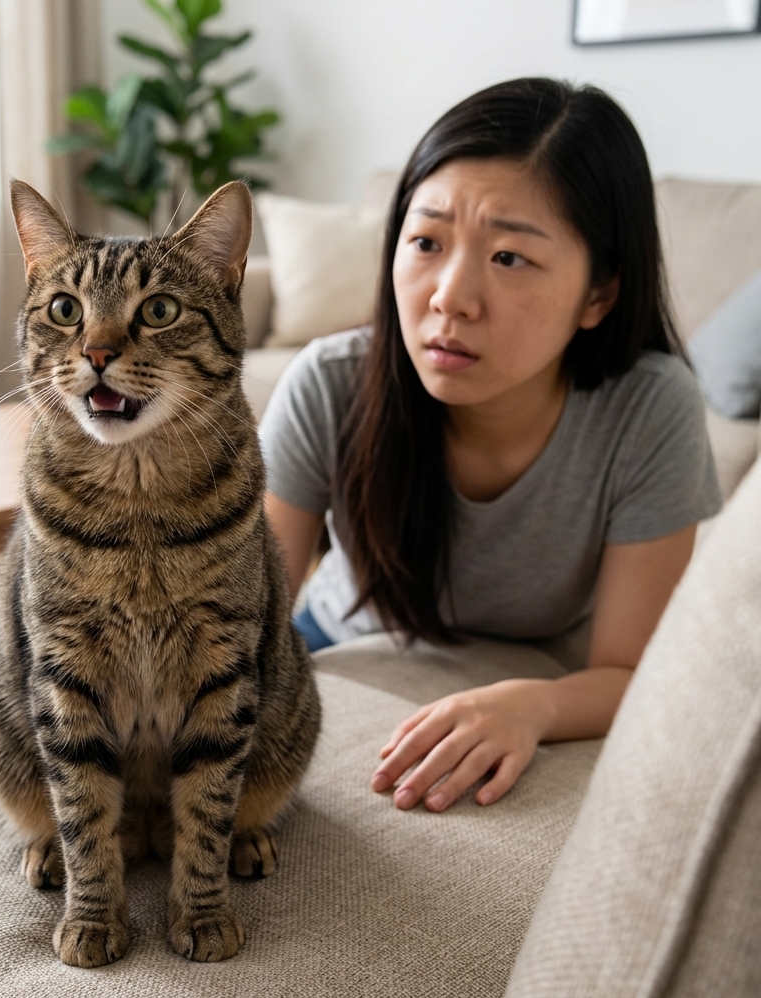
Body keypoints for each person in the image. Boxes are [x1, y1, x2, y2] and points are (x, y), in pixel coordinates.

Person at [259, 78, 721, 814]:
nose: (450, 296)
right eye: (426, 242)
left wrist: (532, 706)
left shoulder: (648, 409)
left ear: (599, 294)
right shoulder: (330, 383)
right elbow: (238, 631)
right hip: (335, 637)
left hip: (545, 659)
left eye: (509, 257)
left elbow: (634, 668)